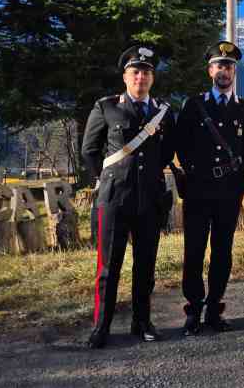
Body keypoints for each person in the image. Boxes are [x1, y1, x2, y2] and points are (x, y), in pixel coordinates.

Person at [82, 45, 176, 348]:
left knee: (146, 265)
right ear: (125, 76)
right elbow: (89, 150)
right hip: (114, 199)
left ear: (152, 78)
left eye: (146, 72)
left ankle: (142, 321)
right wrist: (108, 179)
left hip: (149, 199)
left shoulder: (163, 111)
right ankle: (102, 326)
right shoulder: (106, 107)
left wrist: (147, 178)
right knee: (108, 267)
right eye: (136, 72)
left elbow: (166, 152)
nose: (141, 77)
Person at [176, 41, 244, 335]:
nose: (225, 71)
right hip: (198, 189)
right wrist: (196, 171)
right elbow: (181, 143)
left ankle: (214, 307)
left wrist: (230, 172)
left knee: (223, 251)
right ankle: (193, 310)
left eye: (230, 66)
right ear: (210, 70)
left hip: (229, 190)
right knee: (194, 250)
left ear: (235, 71)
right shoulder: (194, 105)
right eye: (219, 65)